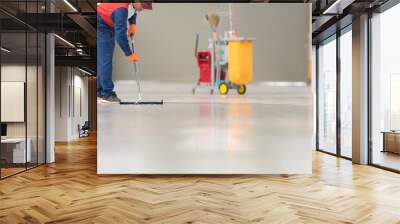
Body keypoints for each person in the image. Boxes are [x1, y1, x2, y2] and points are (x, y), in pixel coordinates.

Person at [97, 2, 152, 102]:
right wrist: (129, 53)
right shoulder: (121, 10)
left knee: (103, 60)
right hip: (102, 23)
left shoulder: (131, 6)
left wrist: (132, 24)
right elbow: (120, 36)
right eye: (143, 5)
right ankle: (107, 94)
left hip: (108, 20)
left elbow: (133, 12)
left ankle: (100, 91)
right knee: (105, 60)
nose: (143, 9)